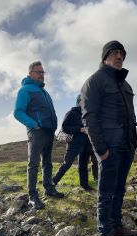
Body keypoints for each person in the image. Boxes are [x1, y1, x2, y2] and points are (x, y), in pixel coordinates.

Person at [81, 40, 137, 236]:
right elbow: (89, 118)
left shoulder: (125, 85)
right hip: (109, 148)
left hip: (127, 145)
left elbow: (129, 115)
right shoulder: (94, 82)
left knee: (119, 188)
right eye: (115, 53)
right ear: (105, 56)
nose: (119, 57)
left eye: (122, 54)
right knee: (106, 192)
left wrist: (133, 140)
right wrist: (101, 150)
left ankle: (116, 225)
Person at [13, 60, 65, 210]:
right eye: (39, 72)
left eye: (43, 72)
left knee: (47, 162)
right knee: (34, 164)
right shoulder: (25, 90)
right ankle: (32, 196)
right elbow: (18, 112)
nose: (42, 75)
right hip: (36, 132)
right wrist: (33, 125)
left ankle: (49, 189)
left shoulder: (44, 91)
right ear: (30, 73)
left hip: (49, 132)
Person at [52, 95, 98, 191]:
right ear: (79, 102)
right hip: (74, 144)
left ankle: (85, 186)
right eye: (84, 101)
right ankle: (53, 182)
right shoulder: (72, 113)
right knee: (67, 164)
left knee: (83, 166)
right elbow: (65, 127)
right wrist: (79, 129)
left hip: (86, 144)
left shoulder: (88, 114)